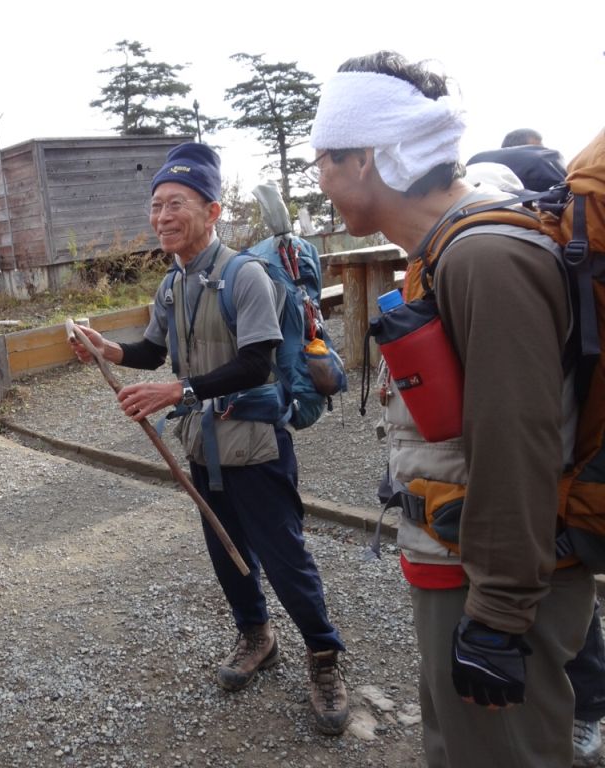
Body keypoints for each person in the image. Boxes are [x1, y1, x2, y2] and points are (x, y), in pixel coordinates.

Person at [309, 52, 596, 766]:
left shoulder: (484, 257)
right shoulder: (444, 252)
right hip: (460, 565)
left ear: (368, 159)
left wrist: (498, 618)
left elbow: (519, 441)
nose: (318, 180)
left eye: (325, 162)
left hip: (495, 587)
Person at [68, 142, 349, 736]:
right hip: (205, 447)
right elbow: (151, 351)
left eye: (177, 204)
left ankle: (323, 657)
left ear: (213, 211)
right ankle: (257, 636)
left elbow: (255, 363)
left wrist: (178, 392)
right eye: (156, 206)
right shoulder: (173, 284)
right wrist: (106, 348)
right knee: (227, 552)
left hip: (257, 445)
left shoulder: (243, 276)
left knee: (284, 556)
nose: (162, 216)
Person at [468, 136, 605, 768]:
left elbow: (522, 416)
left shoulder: (513, 241)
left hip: (559, 473)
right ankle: (586, 709)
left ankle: (591, 710)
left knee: (562, 576)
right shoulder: (561, 213)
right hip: (568, 464)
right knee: (566, 583)